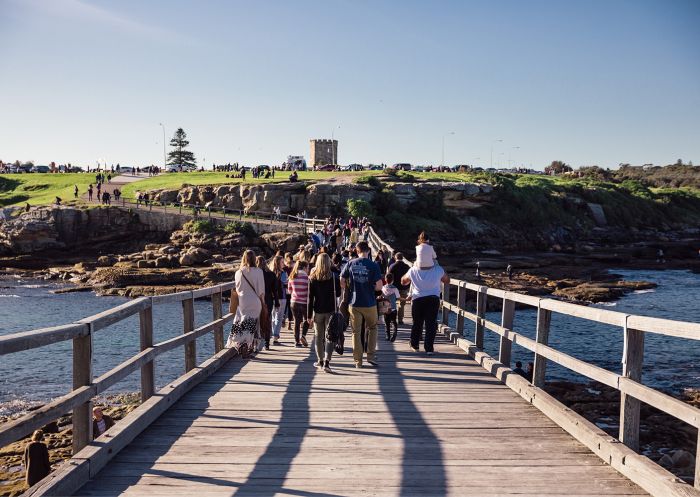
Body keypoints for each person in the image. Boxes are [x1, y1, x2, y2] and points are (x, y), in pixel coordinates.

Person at [341, 241, 383, 368]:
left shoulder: (350, 263)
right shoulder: (374, 265)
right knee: (373, 328)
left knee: (356, 332)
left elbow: (342, 280)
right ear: (368, 251)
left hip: (354, 303)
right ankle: (370, 356)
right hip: (370, 302)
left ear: (357, 251)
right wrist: (371, 287)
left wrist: (348, 288)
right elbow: (379, 286)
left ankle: (358, 361)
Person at [401, 260, 450, 356]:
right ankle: (429, 348)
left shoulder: (413, 269)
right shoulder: (438, 269)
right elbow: (447, 280)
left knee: (417, 323)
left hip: (418, 299)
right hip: (433, 298)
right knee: (431, 323)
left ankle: (415, 345)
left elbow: (403, 281)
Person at [307, 253, 340, 372]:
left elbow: (310, 299)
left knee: (318, 337)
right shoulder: (334, 278)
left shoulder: (312, 278)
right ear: (329, 262)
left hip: (318, 311)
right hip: (331, 311)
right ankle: (327, 362)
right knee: (329, 337)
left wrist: (308, 315)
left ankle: (320, 360)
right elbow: (339, 294)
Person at [231, 250, 266, 354]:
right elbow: (261, 291)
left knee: (241, 322)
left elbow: (237, 289)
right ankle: (247, 345)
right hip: (255, 302)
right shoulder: (259, 271)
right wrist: (263, 303)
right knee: (252, 324)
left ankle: (242, 344)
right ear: (254, 258)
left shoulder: (238, 272)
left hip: (242, 302)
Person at [257, 256, 279, 350]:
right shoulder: (271, 274)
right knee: (267, 320)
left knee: (257, 321)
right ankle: (266, 343)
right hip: (268, 300)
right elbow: (275, 290)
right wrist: (277, 302)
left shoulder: (256, 275)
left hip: (257, 300)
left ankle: (256, 343)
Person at [288, 260, 310, 347]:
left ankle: (297, 341)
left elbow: (289, 291)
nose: (308, 270)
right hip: (304, 302)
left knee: (297, 322)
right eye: (307, 268)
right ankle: (303, 335)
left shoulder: (292, 276)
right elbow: (309, 292)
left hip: (294, 302)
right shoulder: (307, 278)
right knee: (307, 320)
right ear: (304, 268)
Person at [269, 255, 287, 345]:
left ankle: (274, 334)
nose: (284, 263)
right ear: (278, 263)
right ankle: (275, 336)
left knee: (273, 317)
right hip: (281, 297)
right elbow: (286, 283)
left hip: (272, 297)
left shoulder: (271, 272)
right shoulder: (283, 273)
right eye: (282, 262)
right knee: (279, 318)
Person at [381, 273, 400, 342]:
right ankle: (394, 333)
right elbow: (398, 297)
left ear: (385, 280)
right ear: (393, 280)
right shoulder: (395, 289)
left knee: (387, 323)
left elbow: (381, 296)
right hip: (393, 308)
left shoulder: (383, 288)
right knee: (394, 321)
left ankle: (387, 336)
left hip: (385, 308)